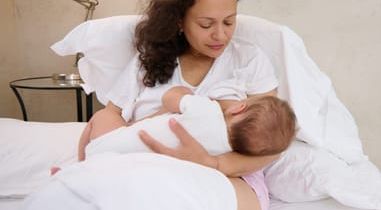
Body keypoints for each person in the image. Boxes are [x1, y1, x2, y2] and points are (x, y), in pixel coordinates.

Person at [78, 0, 282, 210]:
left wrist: (214, 163)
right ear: (179, 21)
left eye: (229, 21)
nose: (220, 35)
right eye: (206, 24)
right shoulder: (148, 63)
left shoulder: (247, 60)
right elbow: (110, 118)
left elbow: (272, 139)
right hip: (144, 172)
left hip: (230, 178)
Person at [80, 85, 297, 159]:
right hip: (129, 163)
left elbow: (170, 98)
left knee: (103, 116)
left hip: (108, 146)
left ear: (239, 106)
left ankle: (78, 165)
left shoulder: (208, 110)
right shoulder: (222, 153)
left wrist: (186, 93)